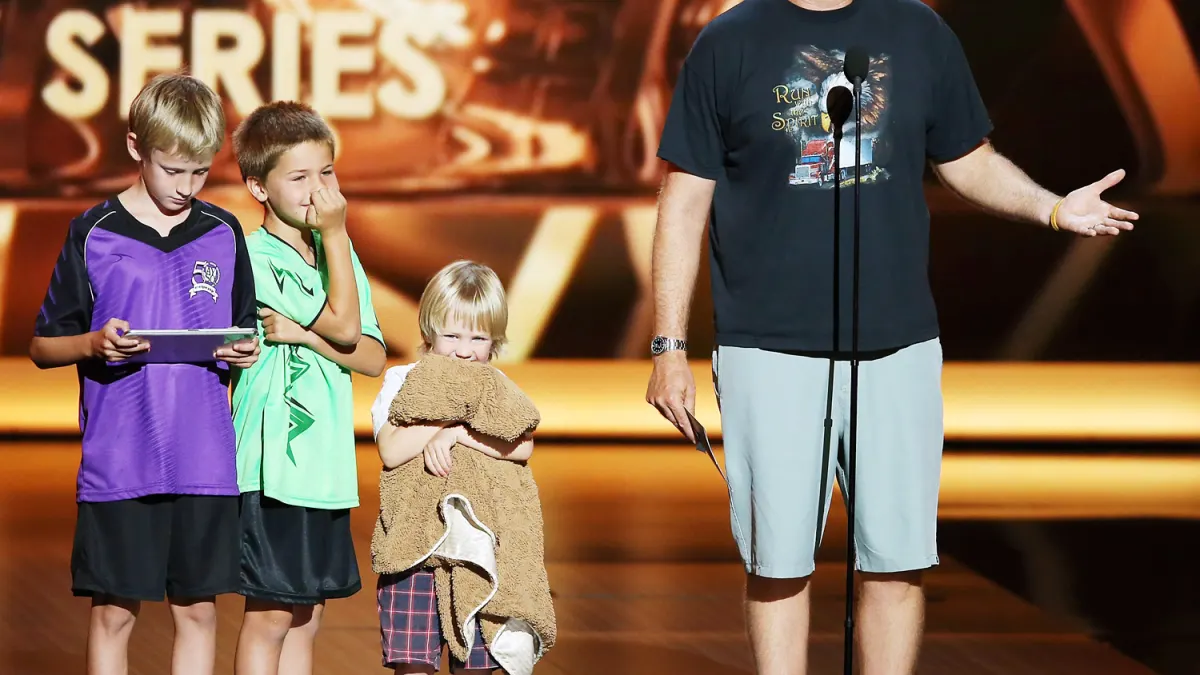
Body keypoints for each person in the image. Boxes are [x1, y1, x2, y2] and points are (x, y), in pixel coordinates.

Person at [643, 1, 1140, 674]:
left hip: (897, 345)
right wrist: (668, 345)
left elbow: (970, 161)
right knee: (778, 560)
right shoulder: (730, 40)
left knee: (897, 561)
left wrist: (1052, 207)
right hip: (768, 347)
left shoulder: (917, 30)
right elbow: (683, 200)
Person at [28, 72, 261, 675]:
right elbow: (43, 347)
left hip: (204, 459)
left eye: (201, 172)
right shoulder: (94, 232)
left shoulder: (222, 232)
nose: (186, 187)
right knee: (114, 614)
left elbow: (240, 331)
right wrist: (92, 342)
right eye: (172, 169)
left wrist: (241, 351)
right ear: (136, 149)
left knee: (199, 612)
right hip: (121, 456)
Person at [228, 100, 387, 675]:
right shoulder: (252, 256)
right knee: (271, 613)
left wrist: (305, 336)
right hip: (275, 464)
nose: (319, 191)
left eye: (327, 173)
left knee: (308, 614)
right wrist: (338, 236)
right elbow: (346, 326)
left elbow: (369, 356)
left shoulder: (336, 253)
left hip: (326, 468)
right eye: (299, 178)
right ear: (258, 186)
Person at [371, 260, 535, 674]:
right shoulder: (403, 380)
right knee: (412, 664)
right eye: (452, 335)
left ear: (494, 341)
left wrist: (458, 434)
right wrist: (447, 420)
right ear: (428, 332)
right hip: (416, 552)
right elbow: (391, 450)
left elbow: (522, 446)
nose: (465, 349)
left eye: (478, 337)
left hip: (479, 555)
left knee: (479, 665)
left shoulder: (494, 386)